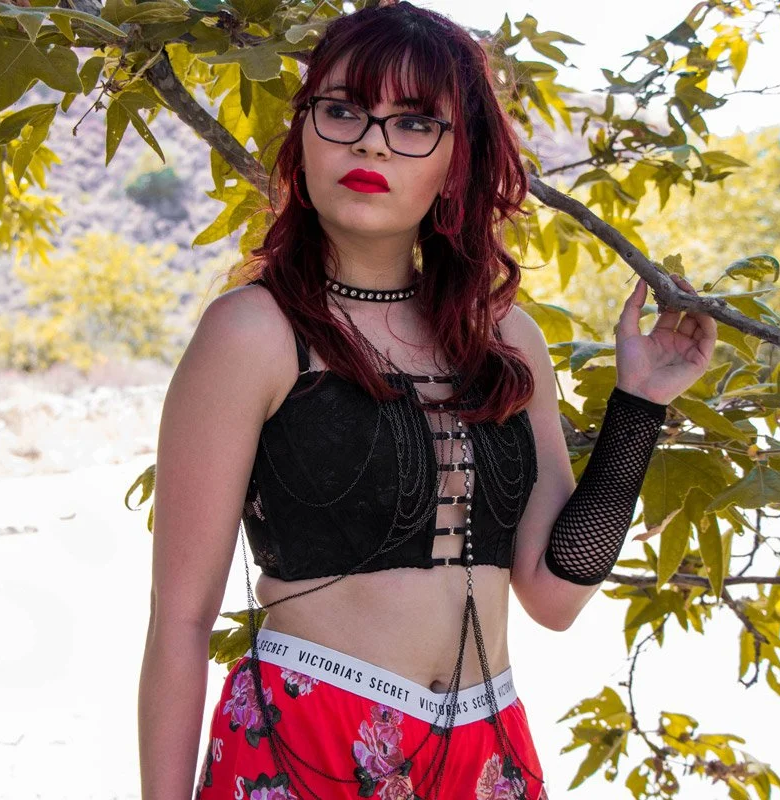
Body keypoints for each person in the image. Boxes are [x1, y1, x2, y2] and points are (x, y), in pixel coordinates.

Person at [138, 2, 716, 798]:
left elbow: (552, 597)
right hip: (306, 738)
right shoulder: (253, 333)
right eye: (342, 111)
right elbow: (179, 624)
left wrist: (638, 408)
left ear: (458, 160)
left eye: (414, 123)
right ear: (303, 132)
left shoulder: (507, 338)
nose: (372, 141)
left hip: (487, 749)